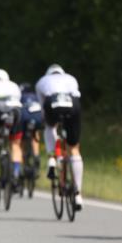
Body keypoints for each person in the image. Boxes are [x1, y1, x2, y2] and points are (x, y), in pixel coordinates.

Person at [35, 64, 84, 210]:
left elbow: (42, 106)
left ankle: (51, 157)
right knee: (74, 149)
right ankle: (78, 194)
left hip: (52, 101)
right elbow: (77, 95)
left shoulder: (42, 81)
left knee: (50, 127)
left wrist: (46, 122)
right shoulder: (71, 78)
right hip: (72, 103)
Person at [18, 82, 44, 176]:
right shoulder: (36, 96)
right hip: (37, 116)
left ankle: (20, 165)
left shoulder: (19, 96)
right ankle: (36, 155)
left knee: (20, 140)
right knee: (35, 134)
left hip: (25, 117)